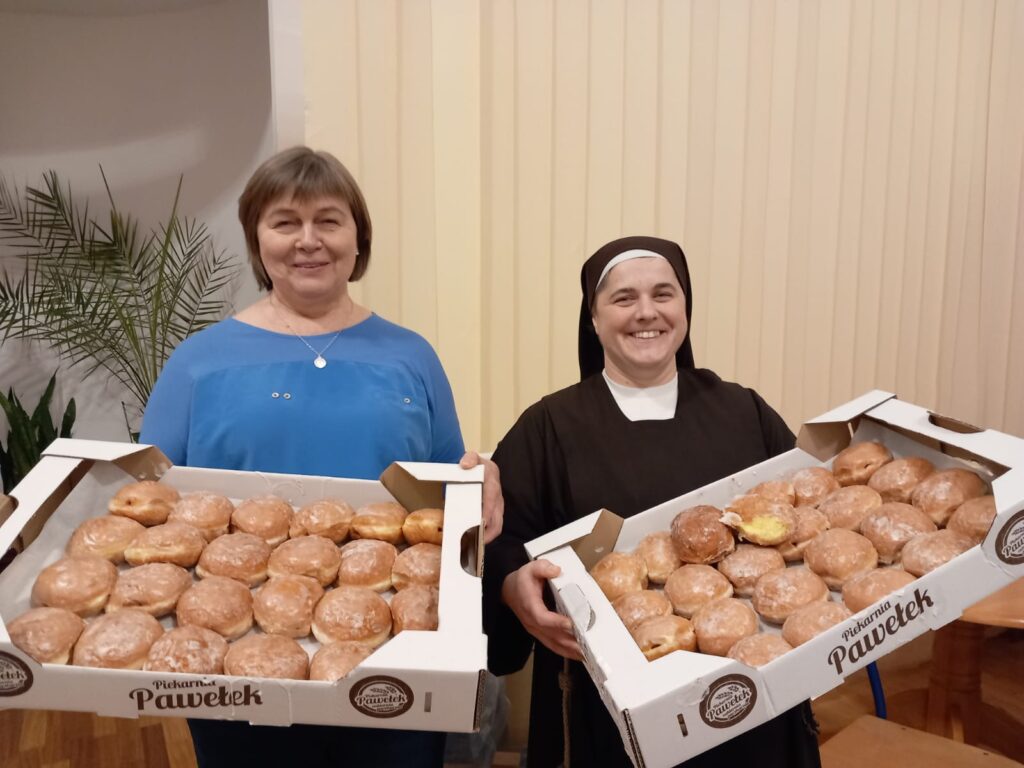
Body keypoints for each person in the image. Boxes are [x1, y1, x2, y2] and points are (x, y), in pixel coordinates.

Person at [140, 146, 502, 767]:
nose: (308, 240)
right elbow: (149, 503)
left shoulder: (410, 356)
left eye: (329, 221)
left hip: (393, 650)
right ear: (258, 242)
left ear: (358, 238)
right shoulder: (199, 362)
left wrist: (483, 474)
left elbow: (442, 488)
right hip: (242, 660)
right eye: (285, 222)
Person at [484, 236, 821, 767]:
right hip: (605, 707)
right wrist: (510, 585)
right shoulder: (548, 424)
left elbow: (804, 511)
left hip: (749, 689)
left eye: (664, 295)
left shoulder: (742, 410)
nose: (647, 312)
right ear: (593, 320)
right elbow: (499, 536)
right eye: (623, 299)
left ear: (685, 309)